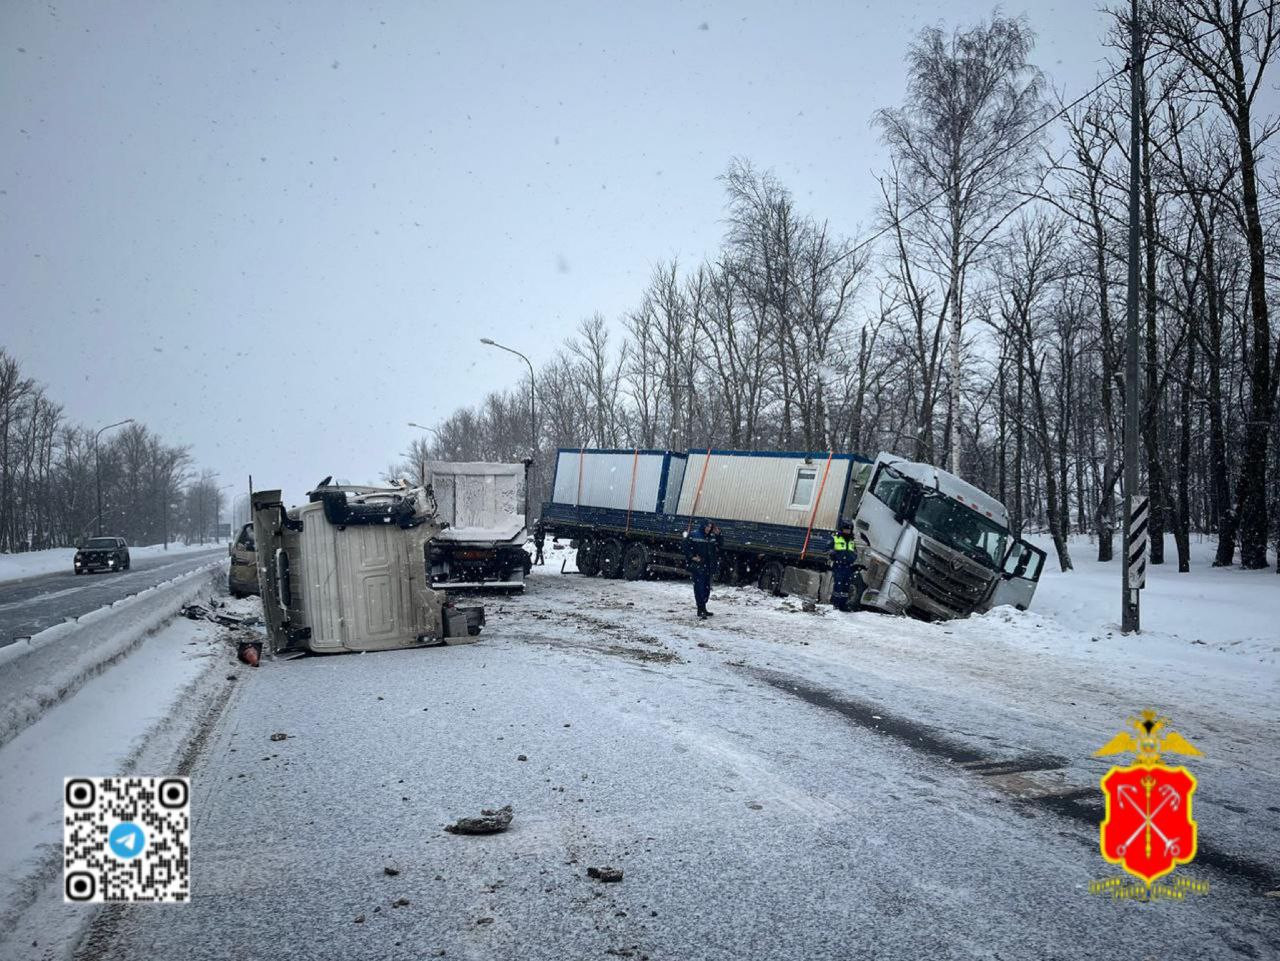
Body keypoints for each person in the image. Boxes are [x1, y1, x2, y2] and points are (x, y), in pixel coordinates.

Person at [684, 520, 722, 618]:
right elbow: (686, 546)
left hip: (708, 567)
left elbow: (720, 545)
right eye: (707, 526)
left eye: (710, 527)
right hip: (698, 566)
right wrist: (692, 557)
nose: (708, 528)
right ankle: (700, 609)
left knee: (706, 589)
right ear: (703, 526)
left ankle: (703, 608)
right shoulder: (694, 535)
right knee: (699, 588)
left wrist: (719, 535)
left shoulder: (712, 537)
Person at [830, 520, 862, 612]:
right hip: (838, 565)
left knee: (846, 586)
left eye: (849, 529)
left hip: (848, 566)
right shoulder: (836, 538)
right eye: (846, 529)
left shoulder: (851, 540)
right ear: (842, 529)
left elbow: (855, 552)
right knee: (838, 585)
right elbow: (828, 549)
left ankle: (843, 605)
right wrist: (834, 554)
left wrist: (852, 557)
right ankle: (836, 604)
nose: (847, 531)